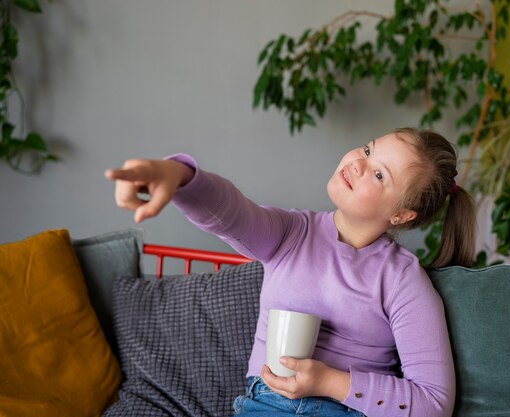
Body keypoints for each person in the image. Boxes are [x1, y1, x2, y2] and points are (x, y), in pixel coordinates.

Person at [105, 127, 476, 417]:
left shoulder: (403, 280)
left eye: (379, 174)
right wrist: (179, 175)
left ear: (401, 215)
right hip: (265, 406)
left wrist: (330, 383)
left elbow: (432, 403)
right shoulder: (291, 233)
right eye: (368, 149)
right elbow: (232, 212)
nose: (358, 163)